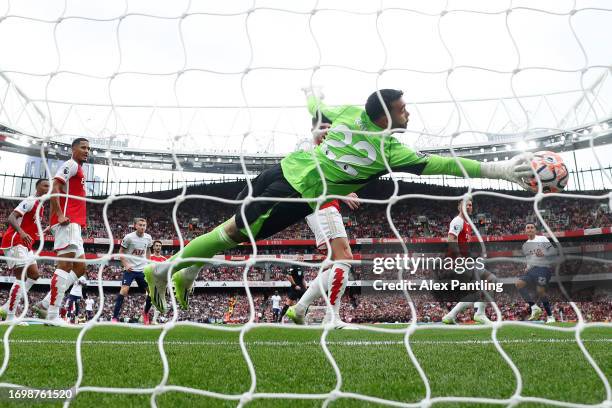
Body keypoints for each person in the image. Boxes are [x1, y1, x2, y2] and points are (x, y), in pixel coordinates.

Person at [144, 88, 533, 313]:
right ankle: (161, 272)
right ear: (385, 118)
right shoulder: (390, 152)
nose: (408, 112)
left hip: (289, 176)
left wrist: (313, 106)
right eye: (402, 109)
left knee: (233, 234)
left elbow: (315, 106)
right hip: (292, 191)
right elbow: (443, 164)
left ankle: (182, 274)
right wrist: (498, 172)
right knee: (231, 235)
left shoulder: (351, 114)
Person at [286, 115, 359, 326]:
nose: (327, 131)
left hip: (325, 208)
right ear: (312, 130)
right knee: (345, 258)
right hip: (322, 208)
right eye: (323, 127)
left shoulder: (328, 152)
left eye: (330, 127)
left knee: (335, 265)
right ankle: (332, 317)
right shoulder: (307, 148)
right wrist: (343, 193)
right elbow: (314, 177)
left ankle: (300, 309)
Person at [34, 138, 90, 324]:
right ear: (73, 149)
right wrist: (59, 215)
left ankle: (44, 303)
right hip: (67, 221)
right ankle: (52, 315)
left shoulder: (79, 169)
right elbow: (55, 187)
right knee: (65, 265)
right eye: (83, 147)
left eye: (89, 148)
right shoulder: (71, 164)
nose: (87, 151)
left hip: (75, 223)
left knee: (80, 268)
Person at [0, 179, 50, 321]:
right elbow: (11, 217)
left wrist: (42, 233)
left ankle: (6, 307)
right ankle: (10, 316)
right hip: (15, 241)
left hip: (26, 245)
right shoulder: (30, 200)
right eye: (45, 185)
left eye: (49, 186)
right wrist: (21, 232)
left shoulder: (41, 207)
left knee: (34, 275)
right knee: (21, 277)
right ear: (37, 188)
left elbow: (30, 227)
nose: (48, 188)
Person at [442, 199, 490, 324]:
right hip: (459, 261)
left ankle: (450, 316)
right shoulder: (458, 221)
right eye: (466, 205)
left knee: (477, 292)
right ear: (459, 207)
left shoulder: (467, 223)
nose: (469, 207)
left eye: (470, 205)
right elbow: (451, 239)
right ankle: (479, 313)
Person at [112, 218, 153, 323]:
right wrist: (126, 264)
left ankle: (145, 313)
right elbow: (121, 252)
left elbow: (148, 250)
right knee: (124, 291)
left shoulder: (148, 238)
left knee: (151, 293)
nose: (143, 227)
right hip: (130, 269)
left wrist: (149, 264)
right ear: (135, 226)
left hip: (142, 269)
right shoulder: (129, 237)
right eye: (140, 225)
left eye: (144, 225)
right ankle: (114, 317)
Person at [516, 223, 556, 323]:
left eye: (532, 227)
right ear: (525, 231)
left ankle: (550, 317)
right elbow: (529, 260)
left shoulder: (542, 239)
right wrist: (527, 267)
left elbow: (553, 251)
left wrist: (544, 253)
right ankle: (534, 307)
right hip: (532, 269)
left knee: (540, 291)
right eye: (528, 228)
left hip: (543, 268)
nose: (530, 229)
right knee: (519, 284)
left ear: (535, 230)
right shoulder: (525, 245)